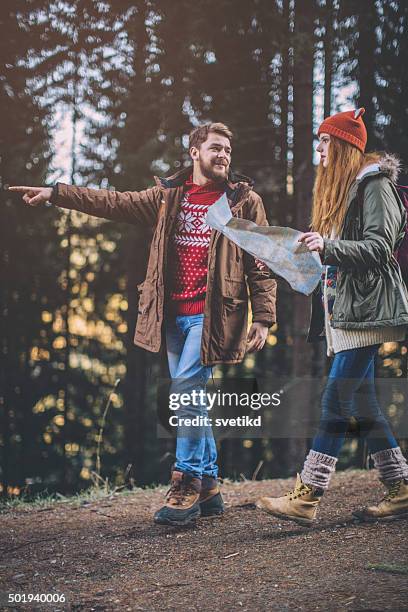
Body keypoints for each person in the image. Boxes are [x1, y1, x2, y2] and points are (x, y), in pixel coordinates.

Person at [9, 122, 277, 526]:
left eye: (227, 150)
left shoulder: (243, 202)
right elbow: (113, 202)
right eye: (216, 149)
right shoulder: (168, 197)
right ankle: (209, 486)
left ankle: (185, 482)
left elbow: (262, 260)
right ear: (194, 152)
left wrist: (265, 317)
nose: (223, 156)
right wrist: (56, 194)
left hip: (214, 313)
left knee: (186, 387)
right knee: (192, 397)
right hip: (171, 314)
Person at [257, 108, 408, 525]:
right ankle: (401, 488)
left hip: (368, 310)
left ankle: (307, 496)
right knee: (363, 400)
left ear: (341, 145)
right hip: (346, 309)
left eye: (324, 142)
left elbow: (380, 249)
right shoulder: (346, 191)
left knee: (335, 400)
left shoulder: (374, 185)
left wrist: (329, 247)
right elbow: (340, 252)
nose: (319, 150)